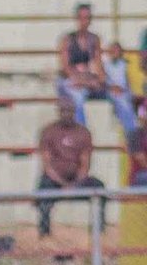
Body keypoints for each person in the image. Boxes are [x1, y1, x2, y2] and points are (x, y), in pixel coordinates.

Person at [57, 3, 137, 132]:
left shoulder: (94, 39)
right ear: (77, 19)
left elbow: (98, 66)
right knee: (77, 98)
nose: (85, 21)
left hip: (89, 81)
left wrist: (104, 82)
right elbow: (66, 68)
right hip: (72, 81)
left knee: (121, 95)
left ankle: (134, 136)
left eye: (88, 18)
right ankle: (82, 136)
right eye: (82, 18)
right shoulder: (67, 39)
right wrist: (81, 80)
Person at [35, 99, 106, 238]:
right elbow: (47, 165)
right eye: (63, 111)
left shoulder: (83, 132)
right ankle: (44, 233)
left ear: (74, 112)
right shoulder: (48, 131)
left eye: (69, 111)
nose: (66, 114)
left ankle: (98, 232)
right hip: (54, 180)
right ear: (59, 112)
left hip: (77, 179)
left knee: (99, 187)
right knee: (43, 187)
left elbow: (85, 163)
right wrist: (62, 184)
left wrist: (75, 184)